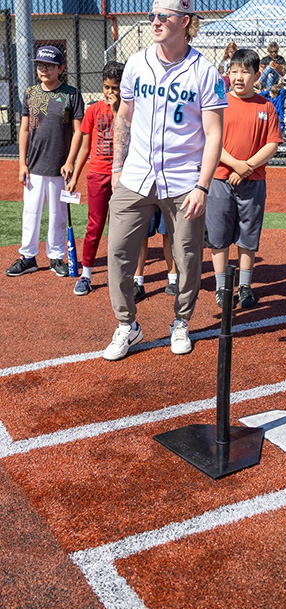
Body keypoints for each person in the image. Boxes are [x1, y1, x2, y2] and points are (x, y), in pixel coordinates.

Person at [102, 0, 227, 361]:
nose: (154, 21)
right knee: (119, 252)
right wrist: (117, 167)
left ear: (184, 21)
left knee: (187, 256)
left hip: (184, 178)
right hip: (136, 175)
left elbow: (213, 133)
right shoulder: (137, 64)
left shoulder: (204, 70)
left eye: (163, 16)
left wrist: (203, 185)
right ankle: (127, 324)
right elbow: (124, 115)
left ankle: (181, 321)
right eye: (153, 15)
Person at [207, 48, 282, 309]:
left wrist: (247, 167)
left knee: (248, 236)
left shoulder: (266, 106)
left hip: (253, 181)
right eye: (234, 71)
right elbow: (210, 140)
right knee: (218, 237)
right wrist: (235, 165)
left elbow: (272, 144)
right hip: (220, 179)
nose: (239, 77)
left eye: (245, 72)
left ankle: (245, 286)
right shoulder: (220, 103)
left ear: (256, 74)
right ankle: (221, 287)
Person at [6, 45, 84, 278]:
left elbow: (78, 132)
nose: (44, 69)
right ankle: (28, 256)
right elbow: (25, 130)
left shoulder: (72, 94)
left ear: (61, 67)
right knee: (31, 212)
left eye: (50, 65)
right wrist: (22, 163)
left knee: (59, 214)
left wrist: (70, 161)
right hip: (35, 166)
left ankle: (56, 256)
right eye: (40, 65)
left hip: (60, 167)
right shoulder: (30, 93)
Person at [67, 61, 124, 295]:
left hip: (122, 176)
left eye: (115, 88)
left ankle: (115, 273)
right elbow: (84, 148)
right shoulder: (92, 110)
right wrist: (74, 174)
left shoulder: (129, 109)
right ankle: (87, 273)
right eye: (106, 87)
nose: (110, 92)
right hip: (98, 174)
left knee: (119, 227)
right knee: (95, 225)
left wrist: (117, 110)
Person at [132, 208, 178, 302]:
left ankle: (173, 279)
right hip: (145, 194)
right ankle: (137, 281)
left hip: (167, 194)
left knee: (169, 230)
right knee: (141, 232)